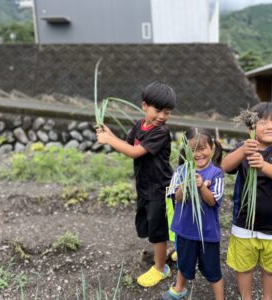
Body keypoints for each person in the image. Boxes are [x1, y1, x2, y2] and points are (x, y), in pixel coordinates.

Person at [96, 81, 176, 287]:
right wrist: (109, 133)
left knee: (158, 231)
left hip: (161, 188)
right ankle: (177, 252)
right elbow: (127, 145)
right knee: (152, 225)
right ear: (144, 106)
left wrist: (108, 140)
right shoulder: (139, 126)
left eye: (167, 113)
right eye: (158, 110)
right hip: (145, 187)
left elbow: (134, 152)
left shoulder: (161, 132)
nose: (162, 117)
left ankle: (161, 268)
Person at [221, 102, 272, 300]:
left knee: (271, 269)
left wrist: (262, 165)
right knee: (243, 266)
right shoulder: (243, 148)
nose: (270, 126)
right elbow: (225, 167)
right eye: (262, 122)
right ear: (250, 129)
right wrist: (243, 151)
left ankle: (267, 298)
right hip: (243, 224)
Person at [162, 128, 225, 300]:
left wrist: (201, 186)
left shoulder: (217, 173)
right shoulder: (180, 171)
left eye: (202, 148)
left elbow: (213, 201)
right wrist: (186, 184)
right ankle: (179, 288)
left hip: (207, 233)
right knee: (184, 263)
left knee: (212, 269)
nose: (197, 154)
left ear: (211, 149)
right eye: (192, 149)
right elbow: (177, 198)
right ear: (186, 151)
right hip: (184, 230)